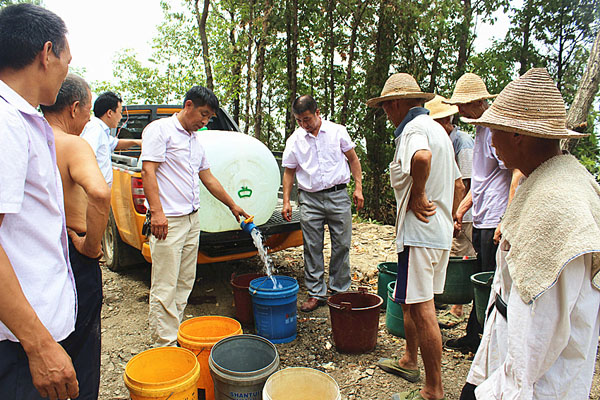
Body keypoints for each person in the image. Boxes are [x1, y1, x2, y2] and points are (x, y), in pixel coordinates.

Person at [459, 67, 600, 399]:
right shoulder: (549, 182)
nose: (492, 141)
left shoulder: (554, 208)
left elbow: (537, 333)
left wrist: (498, 390)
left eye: (495, 131)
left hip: (535, 384)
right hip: (514, 363)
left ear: (517, 135)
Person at [0, 4, 80, 400]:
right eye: (67, 59)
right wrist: (39, 345)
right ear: (47, 53)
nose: (66, 70)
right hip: (19, 343)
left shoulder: (24, 119)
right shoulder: (7, 123)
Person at [367, 73, 463, 400]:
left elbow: (422, 158)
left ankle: (433, 389)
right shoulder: (439, 130)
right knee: (410, 301)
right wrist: (451, 216)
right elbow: (458, 185)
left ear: (396, 104)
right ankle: (409, 360)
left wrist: (419, 194)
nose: (386, 113)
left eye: (386, 107)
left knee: (423, 309)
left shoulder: (413, 130)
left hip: (421, 234)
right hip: (436, 232)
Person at [141, 85, 249, 347]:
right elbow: (148, 171)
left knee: (185, 281)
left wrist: (233, 205)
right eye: (203, 114)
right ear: (188, 105)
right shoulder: (160, 130)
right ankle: (164, 345)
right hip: (168, 221)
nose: (205, 121)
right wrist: (157, 213)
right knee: (165, 284)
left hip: (191, 219)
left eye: (209, 117)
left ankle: (174, 334)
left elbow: (208, 178)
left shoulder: (195, 141)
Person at [41, 74, 111, 400]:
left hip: (38, 251)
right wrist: (91, 247)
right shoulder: (71, 144)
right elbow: (99, 193)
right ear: (74, 108)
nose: (88, 119)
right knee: (82, 344)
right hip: (73, 251)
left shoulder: (28, 137)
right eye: (87, 110)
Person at [442, 73, 518, 354]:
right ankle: (475, 335)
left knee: (491, 282)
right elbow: (481, 180)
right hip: (481, 216)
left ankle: (490, 342)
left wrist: (508, 218)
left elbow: (515, 171)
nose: (459, 110)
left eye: (463, 104)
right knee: (481, 278)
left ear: (479, 102)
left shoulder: (496, 129)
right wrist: (462, 209)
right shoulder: (481, 131)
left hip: (495, 216)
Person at [281, 95, 364, 312]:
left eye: (307, 119)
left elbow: (353, 159)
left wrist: (358, 188)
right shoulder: (295, 140)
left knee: (342, 244)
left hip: (338, 195)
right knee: (312, 246)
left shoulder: (337, 132)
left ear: (317, 113)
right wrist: (287, 201)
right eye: (299, 120)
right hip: (310, 199)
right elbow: (289, 172)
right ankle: (316, 292)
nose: (304, 124)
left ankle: (339, 291)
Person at [425, 94, 475, 327]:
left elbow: (465, 183)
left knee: (459, 254)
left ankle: (457, 307)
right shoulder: (442, 141)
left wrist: (458, 214)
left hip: (465, 211)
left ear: (446, 121)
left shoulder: (462, 142)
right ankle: (445, 299)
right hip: (451, 210)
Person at [81, 91, 141, 187]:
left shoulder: (102, 130)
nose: (121, 117)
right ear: (109, 113)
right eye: (120, 113)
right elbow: (86, 156)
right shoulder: (95, 129)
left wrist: (136, 142)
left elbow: (116, 143)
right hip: (96, 189)